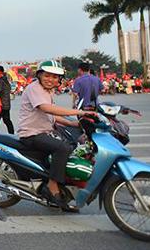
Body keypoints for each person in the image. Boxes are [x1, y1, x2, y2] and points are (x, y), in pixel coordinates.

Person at [17, 60, 94, 211]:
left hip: (46, 131)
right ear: (39, 75)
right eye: (47, 76)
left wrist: (72, 124)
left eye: (55, 77)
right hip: (31, 134)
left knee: (73, 143)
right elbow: (47, 108)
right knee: (63, 148)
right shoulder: (34, 88)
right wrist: (79, 112)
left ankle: (60, 182)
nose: (50, 79)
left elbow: (50, 116)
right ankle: (52, 185)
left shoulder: (47, 91)